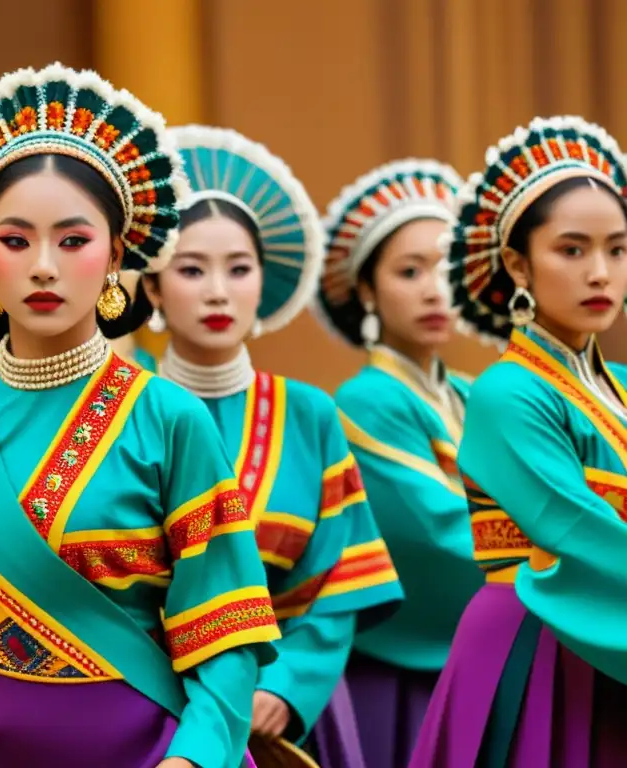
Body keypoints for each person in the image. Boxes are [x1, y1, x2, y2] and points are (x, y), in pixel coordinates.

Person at [0, 63, 282, 768]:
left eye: (74, 241)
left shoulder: (169, 418)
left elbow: (229, 633)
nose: (44, 266)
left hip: (149, 753)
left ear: (116, 253)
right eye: (16, 241)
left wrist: (196, 758)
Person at [139, 126, 403, 768]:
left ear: (266, 281)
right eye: (191, 269)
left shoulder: (309, 412)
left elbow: (342, 575)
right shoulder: (123, 408)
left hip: (282, 713)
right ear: (150, 290)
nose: (218, 291)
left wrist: (287, 686)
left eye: (239, 268)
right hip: (147, 702)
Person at [410, 116, 627, 767]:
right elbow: (576, 534)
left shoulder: (619, 383)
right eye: (572, 249)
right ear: (516, 263)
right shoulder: (509, 392)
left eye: (617, 249)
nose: (600, 273)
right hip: (543, 639)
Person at [315, 159, 485, 767]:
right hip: (401, 672)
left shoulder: (469, 393)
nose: (435, 288)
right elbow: (437, 532)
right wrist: (553, 557)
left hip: (472, 658)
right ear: (366, 289)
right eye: (409, 271)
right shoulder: (364, 401)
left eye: (445, 267)